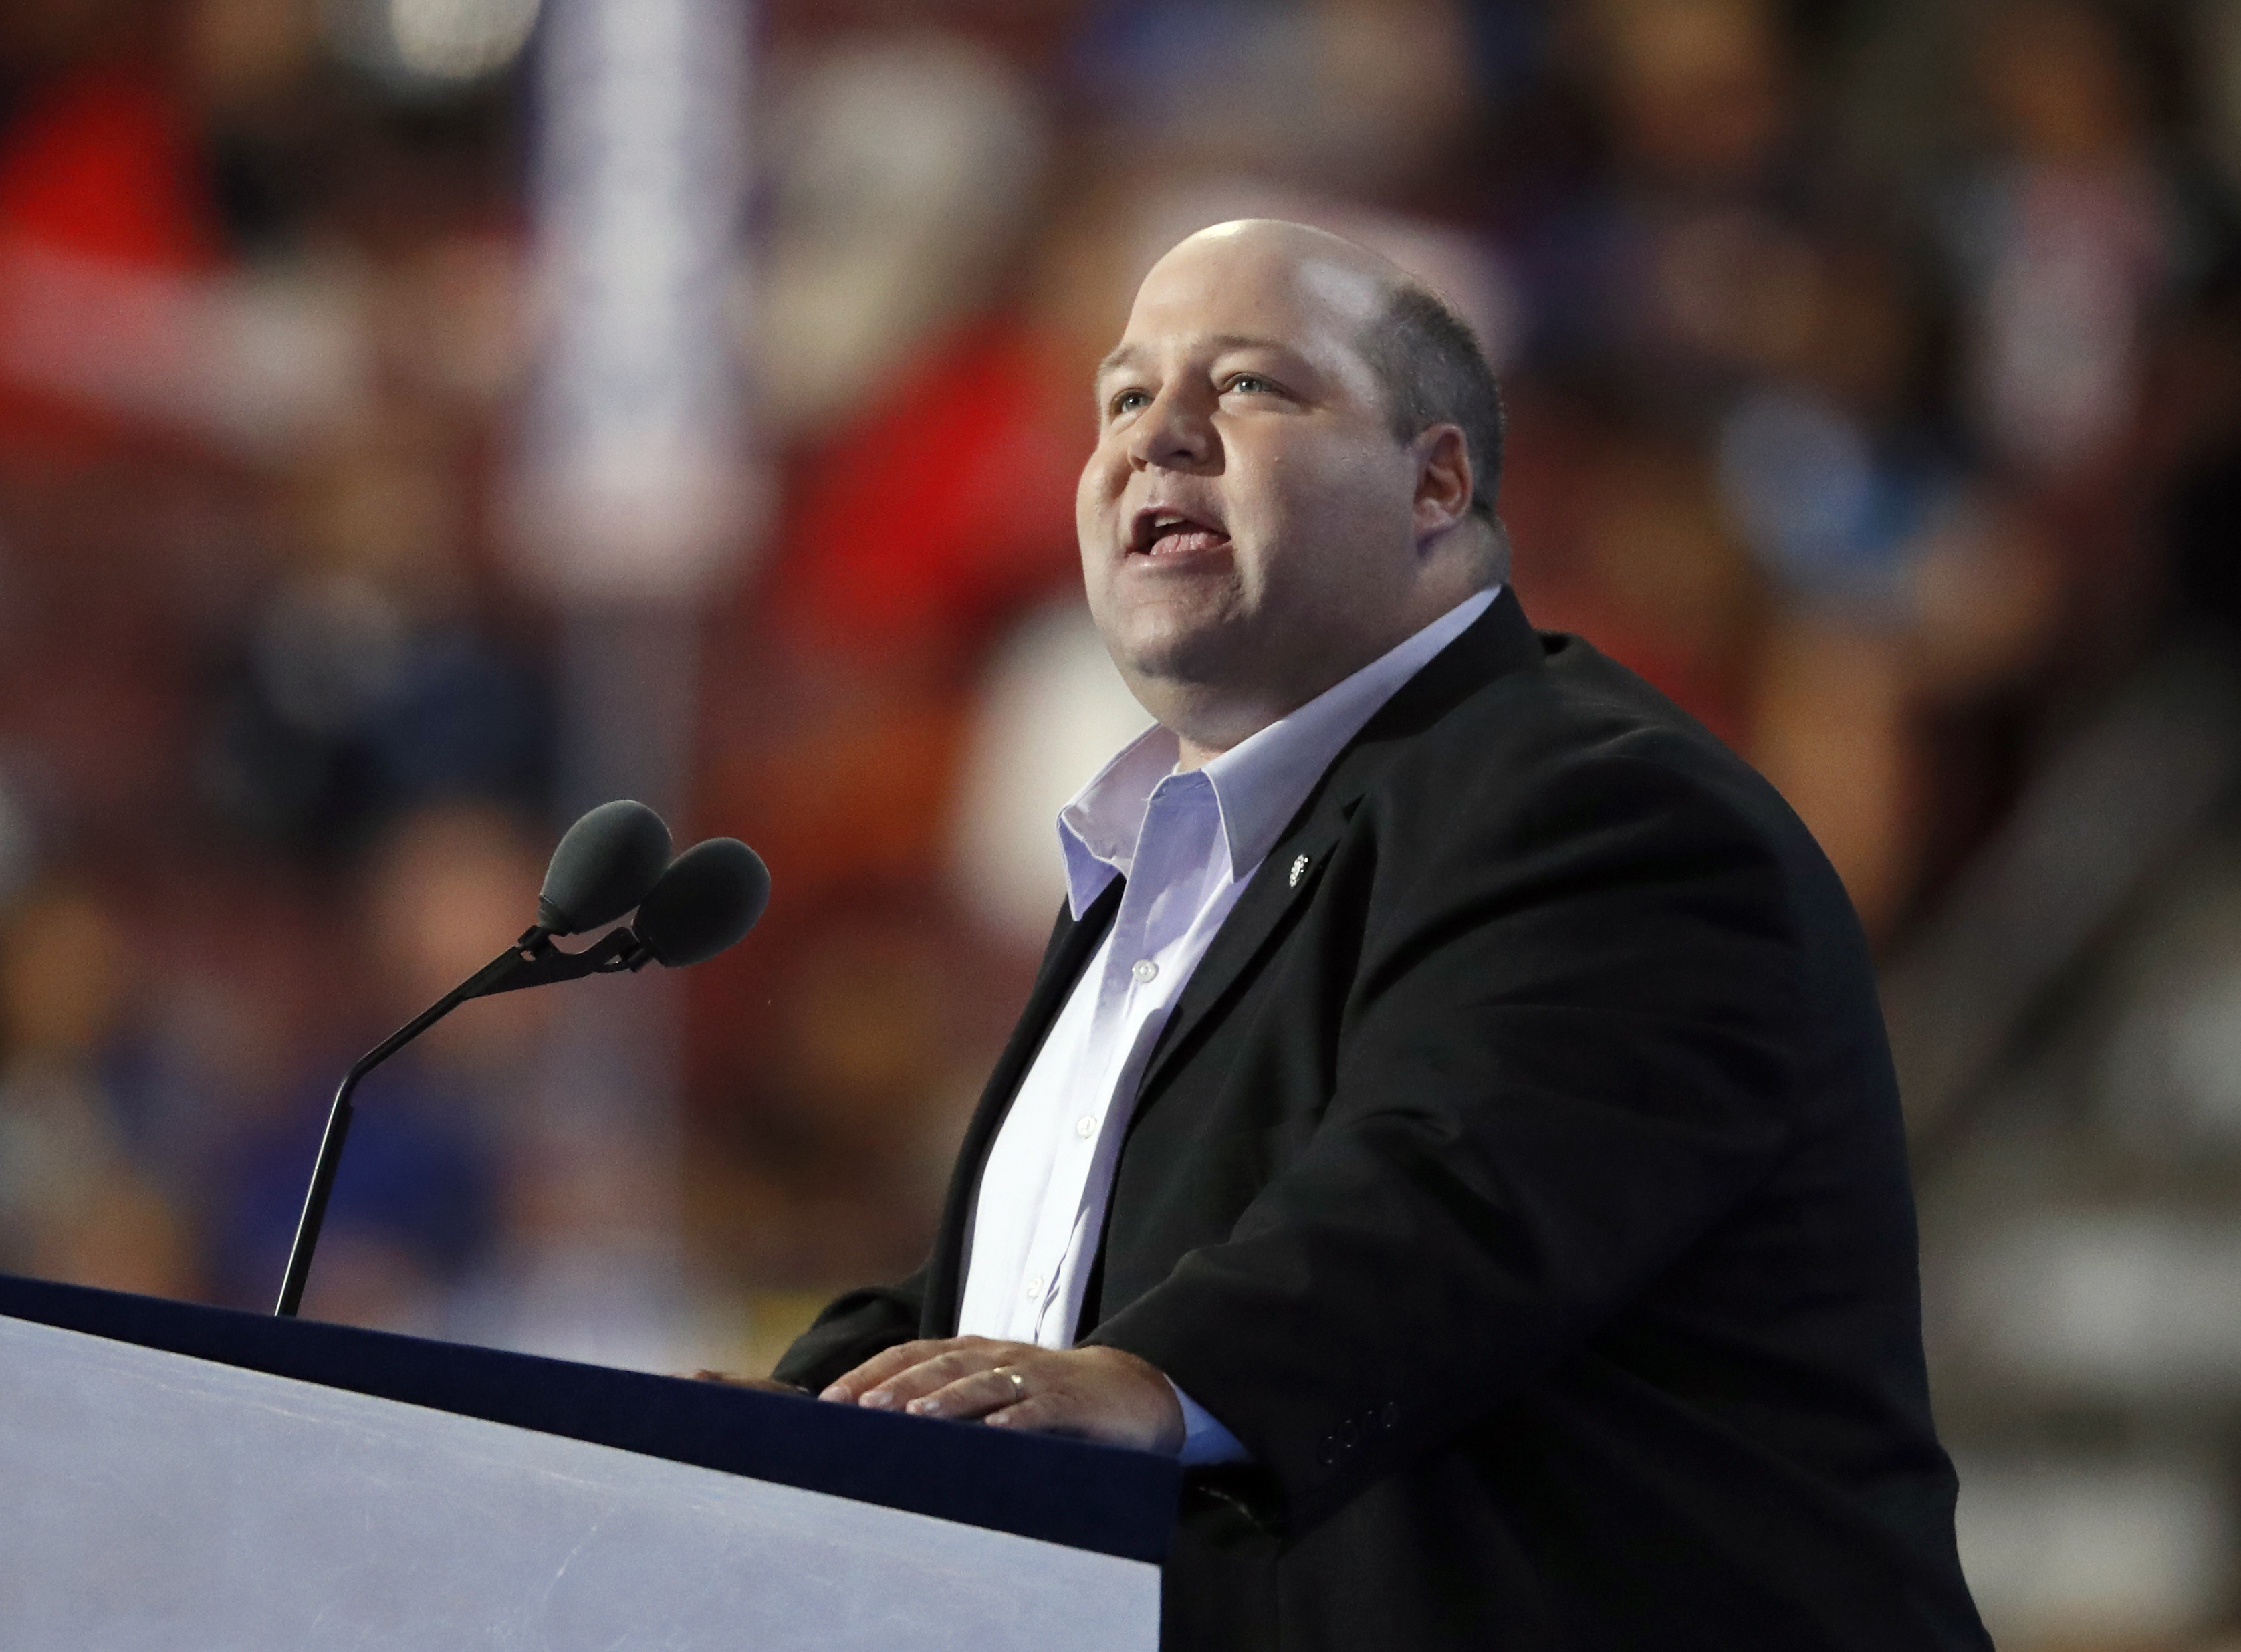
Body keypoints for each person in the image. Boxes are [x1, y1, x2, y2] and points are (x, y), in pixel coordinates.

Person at [763, 220, 1990, 1650]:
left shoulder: (1601, 810)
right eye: (1118, 396)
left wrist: (1151, 1379)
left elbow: (1443, 1205)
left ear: (1434, 479)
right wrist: (810, 1417)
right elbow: (1064, 1295)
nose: (1153, 437)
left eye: (1246, 387)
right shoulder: (1167, 860)